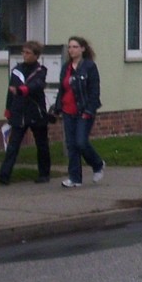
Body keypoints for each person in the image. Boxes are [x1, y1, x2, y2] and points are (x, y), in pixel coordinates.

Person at [0, 41, 52, 185]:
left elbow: (36, 86)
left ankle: (44, 173)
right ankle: (4, 174)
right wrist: (8, 108)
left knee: (42, 144)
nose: (24, 55)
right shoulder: (17, 70)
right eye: (23, 52)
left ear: (36, 55)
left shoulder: (40, 70)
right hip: (19, 111)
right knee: (13, 144)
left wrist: (21, 90)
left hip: (36, 112)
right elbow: (10, 91)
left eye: (28, 53)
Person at [53, 35, 105, 188]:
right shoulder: (66, 67)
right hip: (68, 110)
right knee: (71, 145)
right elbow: (62, 90)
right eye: (69, 47)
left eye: (75, 47)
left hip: (84, 111)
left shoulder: (89, 67)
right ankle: (75, 178)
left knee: (81, 142)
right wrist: (57, 108)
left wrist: (89, 109)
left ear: (82, 49)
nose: (71, 50)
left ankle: (98, 164)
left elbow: (94, 91)